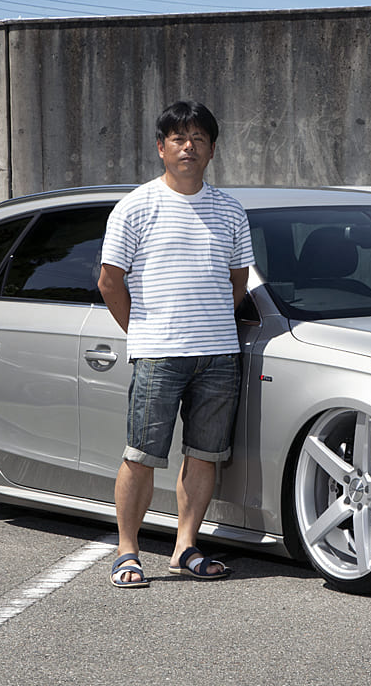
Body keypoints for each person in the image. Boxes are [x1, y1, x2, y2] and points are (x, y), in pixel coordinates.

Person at [98, 99, 254, 588]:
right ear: (161, 148)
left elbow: (238, 280)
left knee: (205, 453)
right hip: (159, 353)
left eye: (199, 139)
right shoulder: (136, 206)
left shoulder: (230, 210)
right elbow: (109, 281)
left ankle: (185, 547)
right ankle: (127, 551)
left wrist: (209, 322)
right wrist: (144, 332)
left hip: (219, 353)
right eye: (179, 139)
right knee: (141, 454)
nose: (189, 147)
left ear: (212, 150)